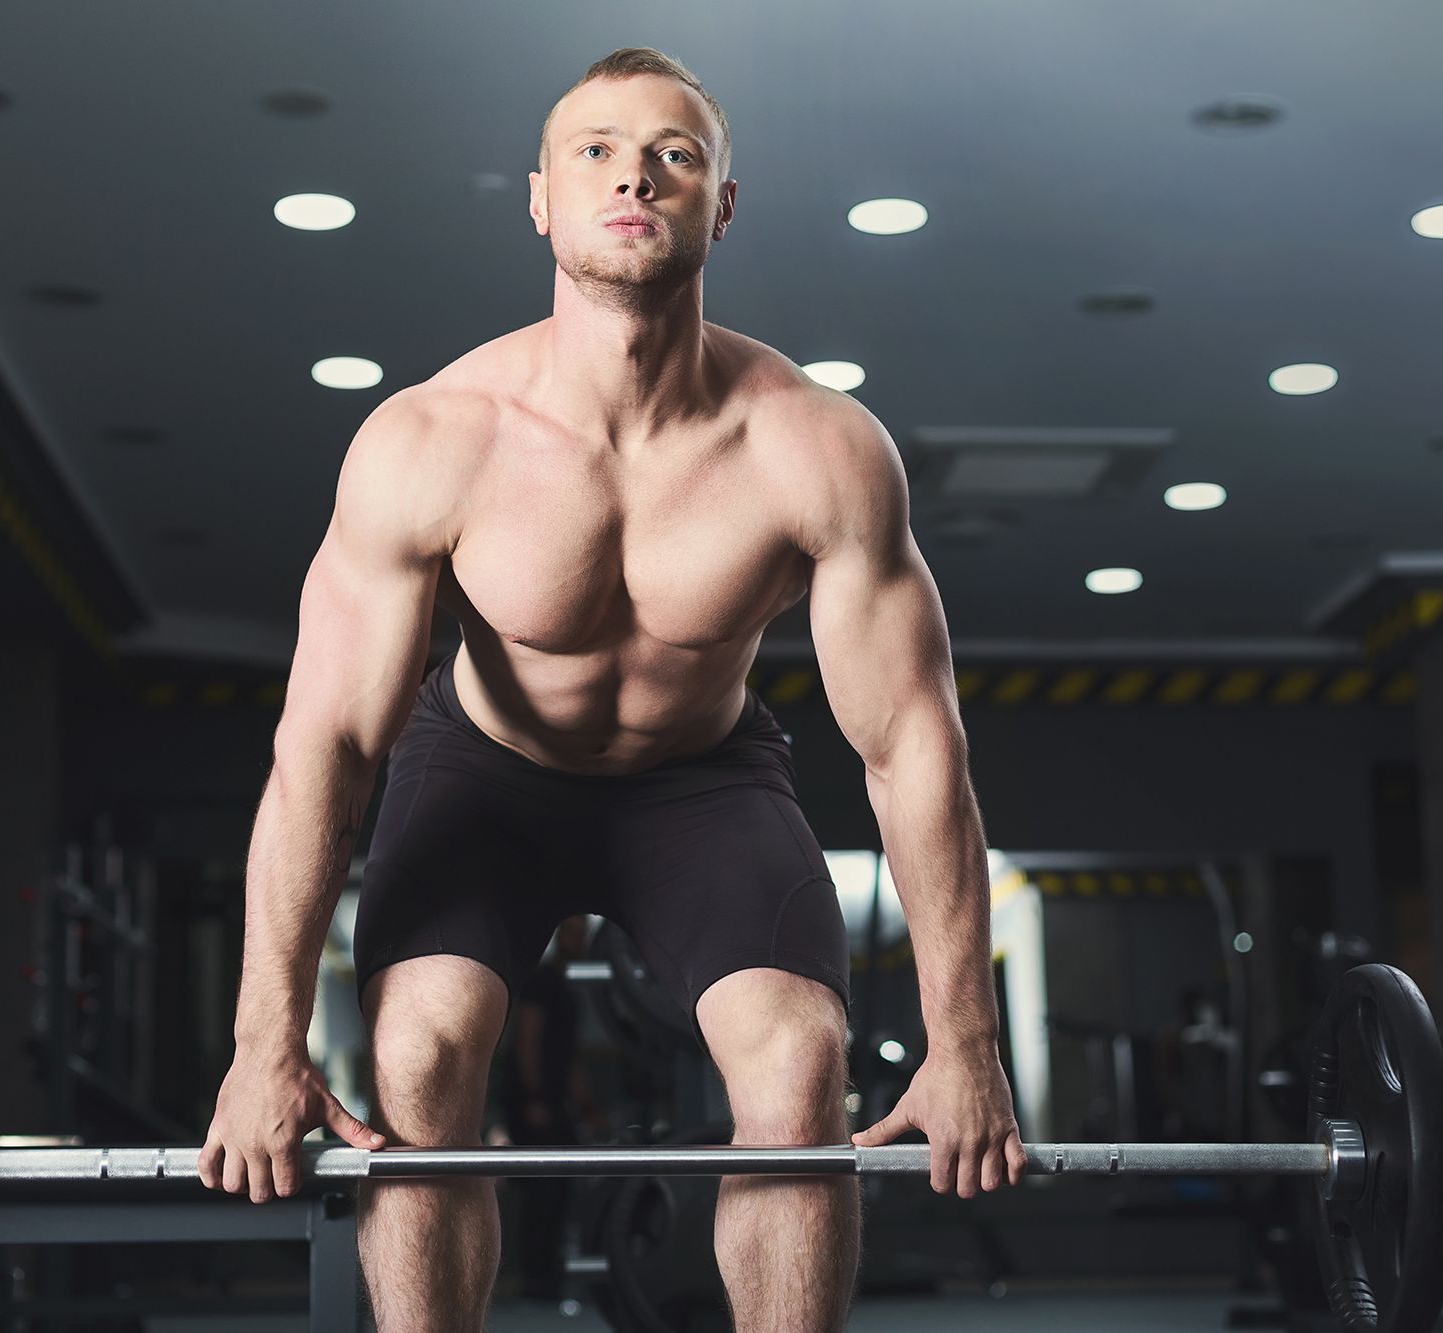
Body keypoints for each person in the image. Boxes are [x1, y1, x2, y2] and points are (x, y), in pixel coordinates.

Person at [197, 46, 1028, 1331]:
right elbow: (324, 752)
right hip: (482, 775)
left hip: (699, 787)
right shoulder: (433, 440)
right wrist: (266, 1045)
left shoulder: (815, 447)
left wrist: (962, 1037)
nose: (632, 172)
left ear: (721, 204)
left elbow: (914, 751)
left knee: (800, 1063)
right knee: (417, 1054)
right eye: (593, 150)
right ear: (539, 198)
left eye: (673, 153)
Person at [495, 915, 601, 1301]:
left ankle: (546, 1277)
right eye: (575, 935)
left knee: (558, 1190)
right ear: (561, 939)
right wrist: (534, 1097)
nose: (581, 941)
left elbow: (569, 1058)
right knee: (542, 1194)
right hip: (534, 1104)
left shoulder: (565, 990)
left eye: (583, 935)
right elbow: (528, 1038)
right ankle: (536, 1281)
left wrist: (585, 1105)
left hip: (553, 1104)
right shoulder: (542, 984)